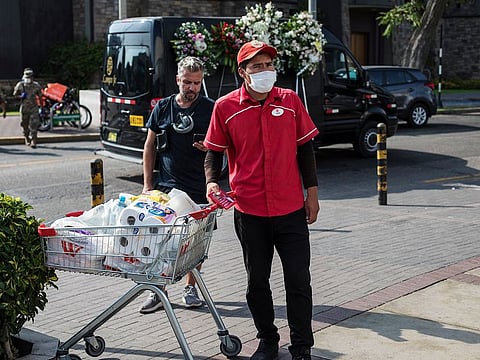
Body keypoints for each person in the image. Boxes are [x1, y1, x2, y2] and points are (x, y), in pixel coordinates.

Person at [203, 40, 320, 360]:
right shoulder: (225, 107)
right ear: (243, 72)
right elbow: (214, 152)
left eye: (269, 65)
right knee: (257, 282)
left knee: (298, 279)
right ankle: (268, 339)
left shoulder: (291, 101)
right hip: (249, 210)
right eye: (257, 66)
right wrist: (212, 182)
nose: (266, 71)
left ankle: (301, 347)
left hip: (291, 209)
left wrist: (312, 194)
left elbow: (305, 149)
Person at [140, 56, 215, 314]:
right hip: (166, 189)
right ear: (177, 80)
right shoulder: (162, 107)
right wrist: (148, 184)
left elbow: (227, 144)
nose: (191, 87)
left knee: (194, 245)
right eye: (186, 82)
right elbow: (149, 146)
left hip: (200, 187)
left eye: (196, 83)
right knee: (160, 241)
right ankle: (158, 292)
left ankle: (190, 288)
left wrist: (211, 147)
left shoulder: (210, 108)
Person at [13, 68, 42, 148]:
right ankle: (26, 137)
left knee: (34, 124)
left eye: (30, 77)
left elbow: (40, 96)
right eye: (27, 77)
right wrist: (20, 96)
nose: (28, 79)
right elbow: (14, 95)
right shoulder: (20, 85)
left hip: (34, 108)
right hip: (24, 108)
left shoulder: (36, 85)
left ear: (32, 77)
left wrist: (41, 107)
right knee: (24, 124)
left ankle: (34, 141)